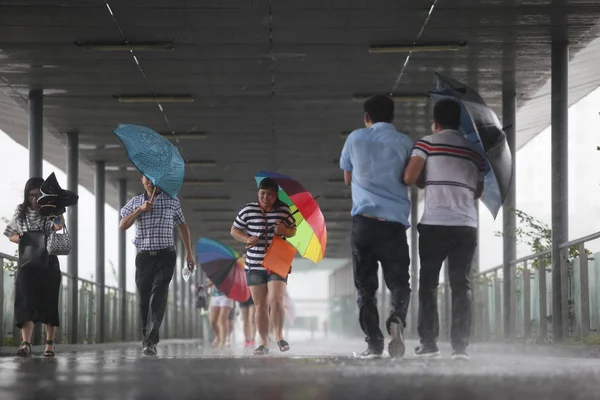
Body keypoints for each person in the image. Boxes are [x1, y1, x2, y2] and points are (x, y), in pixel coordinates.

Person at [403, 98, 485, 361]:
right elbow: (478, 190)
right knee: (461, 285)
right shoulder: (474, 151)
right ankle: (460, 347)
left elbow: (410, 177)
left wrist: (428, 180)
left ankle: (429, 343)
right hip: (465, 224)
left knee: (428, 284)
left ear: (435, 122)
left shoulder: (426, 143)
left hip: (435, 223)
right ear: (459, 122)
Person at [339, 94, 414, 359]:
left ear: (366, 117)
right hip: (393, 225)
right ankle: (397, 317)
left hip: (364, 224)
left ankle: (374, 344)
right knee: (398, 281)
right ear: (392, 117)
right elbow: (410, 177)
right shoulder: (405, 141)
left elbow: (347, 178)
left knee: (365, 287)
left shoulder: (355, 138)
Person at [119, 176, 195, 356]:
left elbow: (182, 225)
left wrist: (189, 253)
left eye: (153, 179)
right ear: (142, 181)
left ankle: (151, 340)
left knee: (158, 296)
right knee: (144, 300)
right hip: (144, 257)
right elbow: (122, 225)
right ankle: (146, 339)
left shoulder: (172, 200)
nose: (150, 182)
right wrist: (140, 209)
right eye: (147, 179)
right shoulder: (135, 201)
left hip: (166, 255)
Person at [230, 177, 296, 355]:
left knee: (276, 299)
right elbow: (234, 230)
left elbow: (292, 231)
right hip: (254, 263)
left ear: (276, 196)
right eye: (262, 194)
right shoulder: (248, 210)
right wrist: (247, 239)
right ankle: (263, 341)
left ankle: (279, 335)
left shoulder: (284, 210)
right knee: (260, 305)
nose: (265, 197)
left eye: (269, 195)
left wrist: (283, 231)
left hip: (277, 262)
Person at [4, 177, 64, 357]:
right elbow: (9, 234)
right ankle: (25, 343)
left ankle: (50, 344)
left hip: (49, 260)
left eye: (38, 194)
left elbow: (59, 226)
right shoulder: (20, 210)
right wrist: (25, 239)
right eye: (31, 194)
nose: (34, 198)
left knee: (49, 301)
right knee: (25, 301)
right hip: (28, 261)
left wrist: (56, 208)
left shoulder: (51, 209)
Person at [204, 280, 234, 349]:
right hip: (215, 295)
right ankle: (218, 336)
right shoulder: (213, 270)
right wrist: (204, 285)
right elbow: (209, 282)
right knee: (213, 321)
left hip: (227, 295)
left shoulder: (228, 269)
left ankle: (223, 342)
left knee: (222, 320)